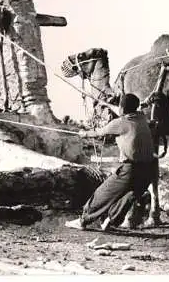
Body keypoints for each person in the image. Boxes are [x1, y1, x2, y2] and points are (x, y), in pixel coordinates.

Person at [65, 93, 157, 231]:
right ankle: (110, 221)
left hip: (130, 170)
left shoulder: (119, 123)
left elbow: (98, 133)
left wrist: (83, 134)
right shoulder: (142, 118)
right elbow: (129, 110)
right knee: (129, 196)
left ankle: (83, 221)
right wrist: (109, 104)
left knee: (102, 194)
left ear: (122, 108)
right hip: (149, 171)